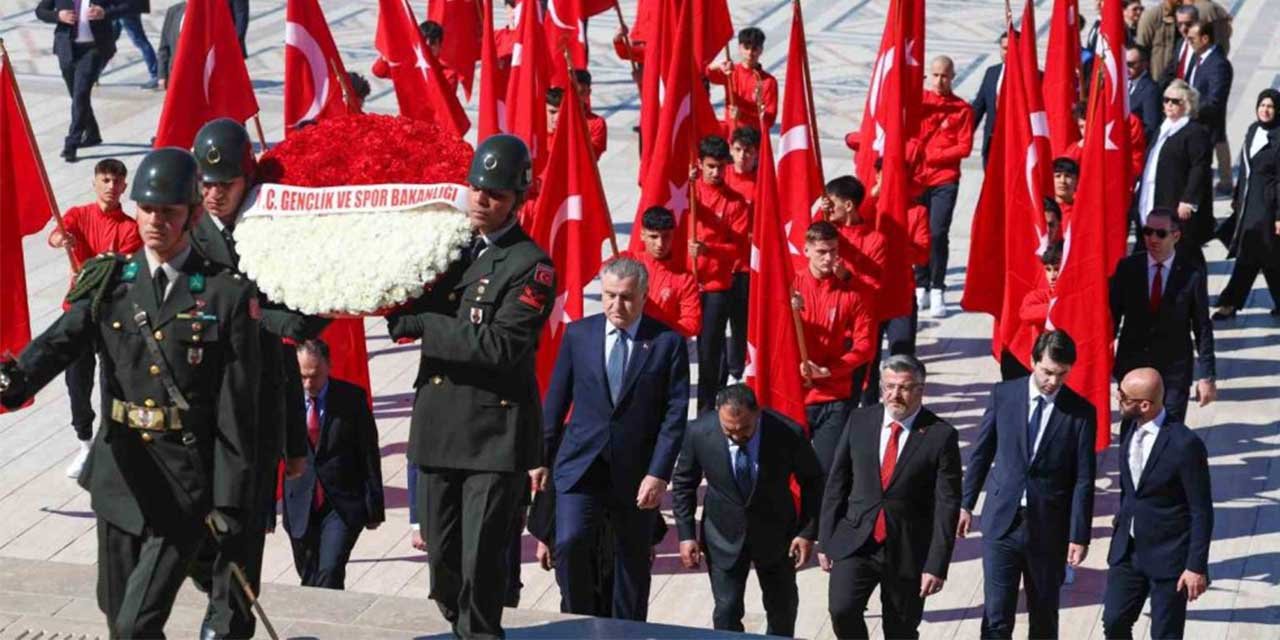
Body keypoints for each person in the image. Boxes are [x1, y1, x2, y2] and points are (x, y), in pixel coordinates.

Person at [0, 147, 260, 638]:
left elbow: (237, 408)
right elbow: (60, 342)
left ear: (194, 215)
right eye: (147, 209)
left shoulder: (225, 296)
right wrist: (12, 382)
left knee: (136, 622)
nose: (155, 221)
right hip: (120, 473)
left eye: (169, 211)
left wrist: (230, 501)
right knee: (117, 616)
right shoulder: (111, 282)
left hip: (185, 480)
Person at [384, 134, 554, 638]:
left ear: (518, 200)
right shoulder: (449, 247)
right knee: (443, 567)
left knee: (481, 566)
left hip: (492, 436)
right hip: (440, 426)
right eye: (477, 188)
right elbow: (407, 297)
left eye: (495, 194)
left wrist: (426, 327)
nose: (482, 200)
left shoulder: (531, 265)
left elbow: (502, 345)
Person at [188, 118, 312, 640]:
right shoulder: (187, 243)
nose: (215, 194)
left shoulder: (268, 239)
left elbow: (281, 358)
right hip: (201, 424)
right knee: (201, 544)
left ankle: (226, 629)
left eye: (226, 183)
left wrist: (292, 442)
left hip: (254, 428)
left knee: (241, 549)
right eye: (207, 183)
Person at [542, 257, 689, 620]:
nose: (616, 305)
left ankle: (626, 631)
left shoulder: (666, 343)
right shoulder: (579, 335)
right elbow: (556, 402)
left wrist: (658, 474)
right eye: (609, 295)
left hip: (635, 473)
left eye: (625, 297)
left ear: (643, 296)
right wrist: (540, 460)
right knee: (571, 542)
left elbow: (674, 416)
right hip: (581, 465)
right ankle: (576, 621)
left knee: (631, 562)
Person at [959, 330, 1097, 639]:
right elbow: (981, 453)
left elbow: (1084, 479)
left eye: (1061, 375)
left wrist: (1079, 534)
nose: (1053, 381)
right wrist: (966, 503)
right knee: (996, 616)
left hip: (1048, 528)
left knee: (1044, 615)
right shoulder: (1003, 395)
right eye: (1047, 371)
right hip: (1002, 522)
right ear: (1033, 361)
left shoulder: (1081, 413)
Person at [819, 354, 962, 640]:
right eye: (889, 386)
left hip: (907, 548)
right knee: (842, 610)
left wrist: (936, 564)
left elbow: (947, 505)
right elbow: (837, 482)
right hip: (857, 539)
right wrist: (826, 539)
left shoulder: (940, 435)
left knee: (900, 630)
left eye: (904, 387)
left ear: (921, 390)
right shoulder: (860, 420)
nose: (895, 394)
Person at [671, 384, 823, 636]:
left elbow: (813, 481)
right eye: (729, 430)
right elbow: (684, 484)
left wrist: (807, 532)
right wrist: (686, 535)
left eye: (744, 430)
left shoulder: (787, 433)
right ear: (719, 414)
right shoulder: (698, 432)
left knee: (782, 607)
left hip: (776, 535)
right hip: (722, 535)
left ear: (758, 414)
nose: (736, 437)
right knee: (726, 609)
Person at [45, 159, 142, 478]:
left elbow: (121, 267)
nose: (111, 186)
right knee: (76, 380)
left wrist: (93, 267)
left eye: (117, 181)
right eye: (105, 179)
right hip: (78, 312)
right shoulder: (79, 214)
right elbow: (57, 232)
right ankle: (85, 440)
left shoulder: (130, 228)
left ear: (124, 187)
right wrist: (62, 239)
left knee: (111, 380)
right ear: (95, 182)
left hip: (112, 314)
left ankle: (111, 442)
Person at [1103, 368, 1213, 640]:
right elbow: (1132, 488)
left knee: (1165, 634)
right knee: (1114, 622)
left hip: (1169, 558)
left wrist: (1196, 566)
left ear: (1145, 405)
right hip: (1128, 551)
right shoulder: (1129, 425)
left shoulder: (1185, 444)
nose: (1118, 400)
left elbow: (1201, 510)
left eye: (1123, 397)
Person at [282, 339, 384, 589]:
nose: (308, 384)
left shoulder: (352, 399)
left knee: (330, 570)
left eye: (314, 376)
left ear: (328, 366)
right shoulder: (285, 401)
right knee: (308, 576)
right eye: (302, 377)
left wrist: (374, 508)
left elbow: (368, 454)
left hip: (341, 503)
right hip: (300, 504)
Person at [1110, 207, 1216, 425]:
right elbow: (1111, 317)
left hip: (1173, 373)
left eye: (1160, 233)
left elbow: (1202, 326)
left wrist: (1207, 376)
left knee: (1170, 435)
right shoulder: (1128, 268)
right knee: (1132, 434)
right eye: (1147, 232)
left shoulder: (1192, 273)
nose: (1152, 239)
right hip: (1133, 369)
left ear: (1175, 236)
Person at [792, 221, 875, 475]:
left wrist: (831, 371)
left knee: (826, 472)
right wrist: (786, 311)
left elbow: (866, 345)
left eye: (833, 251)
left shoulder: (851, 293)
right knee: (792, 471)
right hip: (796, 392)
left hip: (834, 394)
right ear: (806, 250)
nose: (829, 258)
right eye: (821, 252)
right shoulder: (789, 286)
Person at [689, 135, 751, 412]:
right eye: (710, 166)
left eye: (720, 167)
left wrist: (708, 249)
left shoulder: (736, 203)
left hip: (717, 284)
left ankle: (706, 406)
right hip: (687, 280)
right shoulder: (689, 192)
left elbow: (737, 247)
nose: (716, 172)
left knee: (709, 349)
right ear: (700, 164)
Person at [912, 55, 974, 319]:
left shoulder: (962, 109)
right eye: (936, 75)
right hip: (916, 179)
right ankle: (919, 284)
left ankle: (937, 287)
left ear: (953, 77)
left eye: (945, 76)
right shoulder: (919, 103)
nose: (940, 80)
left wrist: (933, 156)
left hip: (944, 180)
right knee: (918, 233)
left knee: (938, 233)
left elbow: (965, 146)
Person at [35, 0, 129, 162]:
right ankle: (92, 134)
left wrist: (105, 12)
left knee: (80, 94)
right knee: (77, 95)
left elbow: (129, 6)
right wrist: (58, 15)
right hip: (67, 49)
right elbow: (40, 11)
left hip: (94, 49)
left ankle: (72, 143)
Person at [1214, 89, 1280, 320]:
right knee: (1267, 256)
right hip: (1248, 203)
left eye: (1271, 106)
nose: (1265, 110)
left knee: (1252, 252)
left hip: (1267, 205)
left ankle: (1229, 303)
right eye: (1262, 105)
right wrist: (1237, 197)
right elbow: (1245, 168)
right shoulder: (1253, 130)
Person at [1136, 80, 1214, 249]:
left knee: (1179, 247)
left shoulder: (1194, 132)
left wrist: (1188, 199)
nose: (1169, 105)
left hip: (1173, 197)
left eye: (1175, 101)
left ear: (1186, 105)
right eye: (1166, 100)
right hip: (1151, 193)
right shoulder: (1163, 127)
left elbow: (1199, 167)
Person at [620, 207, 701, 338]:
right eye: (653, 237)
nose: (660, 244)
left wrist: (659, 328)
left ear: (673, 234)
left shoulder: (685, 279)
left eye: (666, 236)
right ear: (642, 234)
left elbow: (692, 324)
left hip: (661, 345)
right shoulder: (626, 261)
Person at [1184, 21, 1234, 196]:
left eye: (1192, 39)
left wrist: (1187, 109)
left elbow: (1215, 101)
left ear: (1205, 39)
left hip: (1205, 125)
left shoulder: (1218, 64)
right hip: (1192, 122)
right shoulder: (1197, 57)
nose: (1188, 42)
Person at [1137, 0, 1231, 84]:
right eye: (1180, 24)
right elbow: (1141, 52)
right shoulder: (1154, 16)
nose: (1183, 29)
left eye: (1189, 24)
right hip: (1165, 87)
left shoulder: (1204, 9)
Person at [706, 27, 778, 135]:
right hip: (732, 137)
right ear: (740, 48)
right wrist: (718, 65)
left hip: (754, 139)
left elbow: (770, 119)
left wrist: (743, 116)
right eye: (746, 47)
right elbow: (705, 73)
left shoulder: (769, 82)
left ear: (761, 50)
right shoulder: (731, 72)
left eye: (754, 49)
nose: (750, 53)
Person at [971, 33, 1007, 167]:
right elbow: (979, 106)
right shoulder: (992, 72)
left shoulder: (1035, 77)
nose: (1006, 52)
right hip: (992, 142)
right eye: (1004, 48)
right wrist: (965, 134)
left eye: (1011, 48)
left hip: (1017, 143)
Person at [113, 0, 158, 89]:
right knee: (109, 39)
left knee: (140, 41)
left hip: (125, 8)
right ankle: (95, 73)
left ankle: (155, 74)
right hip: (122, 7)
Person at [1128, 45, 1164, 146]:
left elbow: (1151, 126)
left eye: (1131, 64)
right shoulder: (1124, 84)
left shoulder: (1151, 90)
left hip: (1135, 146)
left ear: (1144, 64)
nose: (1126, 68)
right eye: (1124, 63)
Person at [572, 69, 608, 158]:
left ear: (588, 92)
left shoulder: (597, 123)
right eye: (573, 93)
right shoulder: (556, 118)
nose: (577, 98)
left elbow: (593, 155)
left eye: (581, 92)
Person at [726, 126, 759, 207]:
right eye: (738, 149)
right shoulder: (720, 174)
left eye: (747, 151)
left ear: (757, 153)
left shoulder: (763, 181)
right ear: (731, 150)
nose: (742, 155)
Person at [155, 1, 185, 90]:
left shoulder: (210, 13)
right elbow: (164, 45)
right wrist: (162, 75)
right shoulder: (174, 11)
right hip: (175, 74)